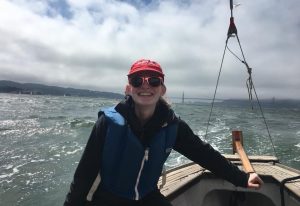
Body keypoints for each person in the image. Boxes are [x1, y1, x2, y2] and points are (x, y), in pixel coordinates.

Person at [64, 59, 263, 206]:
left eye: (153, 81)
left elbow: (204, 154)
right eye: (136, 80)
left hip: (147, 197)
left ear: (162, 89)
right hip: (107, 199)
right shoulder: (107, 123)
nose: (145, 85)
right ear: (128, 88)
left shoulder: (172, 125)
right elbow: (84, 173)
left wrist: (242, 178)